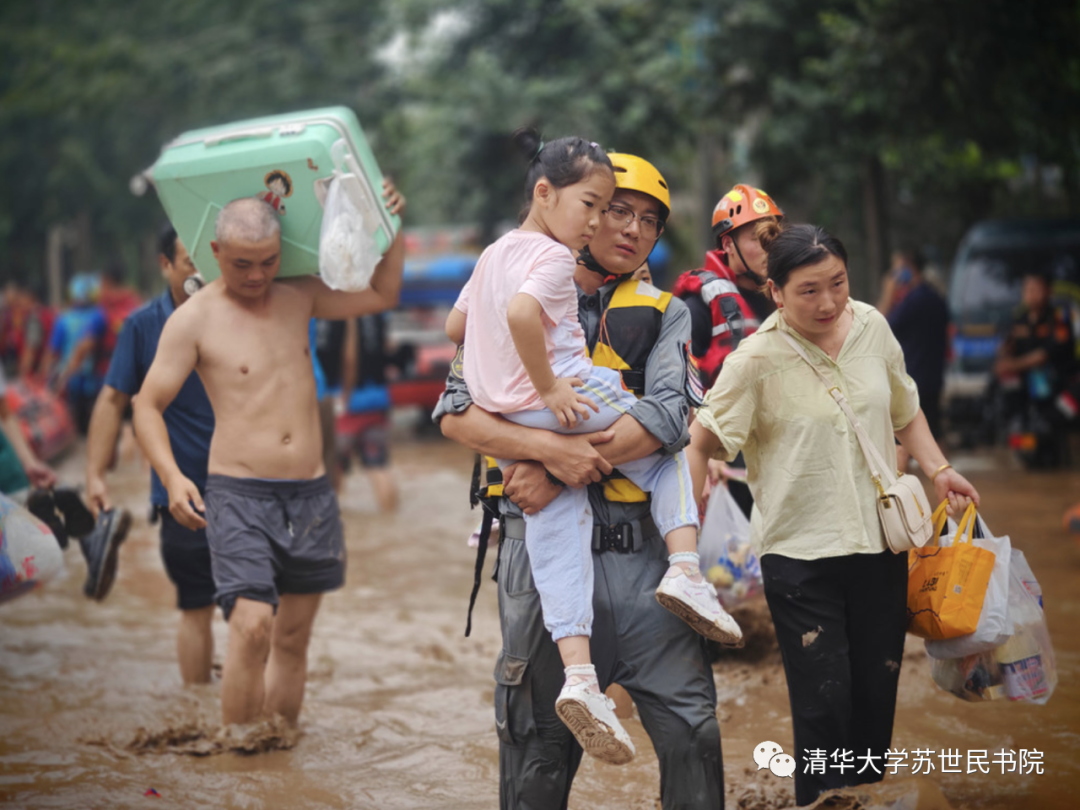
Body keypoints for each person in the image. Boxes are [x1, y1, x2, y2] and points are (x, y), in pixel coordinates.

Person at [438, 152, 726, 808]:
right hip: (537, 558)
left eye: (649, 222)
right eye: (615, 210)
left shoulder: (664, 312)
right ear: (581, 209)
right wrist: (545, 451)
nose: (629, 228)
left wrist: (553, 466)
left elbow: (669, 414)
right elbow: (454, 414)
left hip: (642, 553)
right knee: (536, 742)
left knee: (693, 730)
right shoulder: (509, 279)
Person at [685, 223, 980, 807]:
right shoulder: (756, 360)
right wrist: (685, 544)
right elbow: (700, 442)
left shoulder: (872, 326)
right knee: (824, 701)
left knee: (877, 692)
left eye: (837, 284)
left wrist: (939, 468)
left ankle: (864, 798)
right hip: (799, 557)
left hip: (882, 546)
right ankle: (820, 801)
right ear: (775, 292)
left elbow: (906, 410)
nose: (828, 303)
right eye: (809, 291)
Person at [133, 183, 405, 727]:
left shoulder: (298, 294)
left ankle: (279, 757)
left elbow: (380, 293)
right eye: (241, 264)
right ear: (213, 254)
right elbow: (146, 405)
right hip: (238, 492)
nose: (256, 276)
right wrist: (171, 474)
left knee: (292, 638)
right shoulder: (193, 319)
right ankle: (239, 756)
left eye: (267, 262)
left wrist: (390, 224)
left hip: (310, 492)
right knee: (251, 627)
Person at [86, 227, 217, 683]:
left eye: (208, 260)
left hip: (250, 488)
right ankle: (198, 709)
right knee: (196, 608)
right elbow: (112, 400)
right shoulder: (143, 327)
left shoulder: (242, 313)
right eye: (188, 262)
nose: (201, 273)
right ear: (164, 265)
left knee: (256, 614)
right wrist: (96, 475)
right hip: (181, 496)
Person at [673, 183, 783, 390]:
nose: (769, 247)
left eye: (772, 236)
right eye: (756, 238)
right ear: (728, 245)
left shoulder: (787, 294)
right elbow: (675, 382)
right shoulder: (698, 306)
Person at [994, 270, 1076, 468]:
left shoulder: (1059, 317)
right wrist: (1004, 358)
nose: (1031, 294)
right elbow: (1006, 349)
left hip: (1060, 387)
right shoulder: (1019, 320)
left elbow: (1045, 354)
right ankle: (1015, 433)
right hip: (1028, 392)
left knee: (1057, 423)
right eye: (1027, 289)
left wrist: (1014, 364)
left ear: (1048, 291)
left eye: (1036, 289)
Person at [877, 246, 949, 468]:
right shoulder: (934, 296)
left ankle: (905, 490)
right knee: (935, 432)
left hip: (914, 377)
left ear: (908, 268)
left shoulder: (914, 300)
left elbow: (876, 327)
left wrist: (887, 293)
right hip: (933, 375)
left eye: (897, 268)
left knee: (903, 440)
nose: (894, 274)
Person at [42, 274, 107, 435]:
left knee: (76, 421)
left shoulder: (63, 319)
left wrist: (43, 378)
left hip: (69, 377)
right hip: (96, 378)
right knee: (93, 420)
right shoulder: (100, 315)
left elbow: (52, 351)